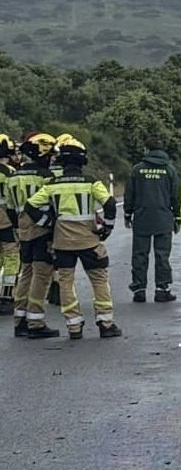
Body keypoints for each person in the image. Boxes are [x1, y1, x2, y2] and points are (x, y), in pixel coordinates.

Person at [24, 137, 122, 340]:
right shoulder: (91, 182)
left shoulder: (52, 184)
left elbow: (30, 206)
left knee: (66, 282)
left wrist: (47, 223)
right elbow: (110, 204)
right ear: (81, 161)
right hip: (89, 241)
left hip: (62, 242)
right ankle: (105, 324)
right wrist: (107, 229)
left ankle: (74, 326)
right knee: (99, 279)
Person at [8, 133, 58, 338]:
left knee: (25, 272)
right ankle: (35, 322)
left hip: (22, 228)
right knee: (42, 274)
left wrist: (18, 228)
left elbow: (10, 208)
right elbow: (53, 207)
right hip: (42, 230)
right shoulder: (46, 177)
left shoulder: (13, 177)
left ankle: (19, 320)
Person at [126, 139, 181, 303]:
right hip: (163, 218)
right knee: (162, 255)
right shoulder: (169, 170)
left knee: (139, 255)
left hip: (142, 218)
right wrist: (177, 217)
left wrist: (127, 214)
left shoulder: (137, 170)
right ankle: (162, 289)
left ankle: (139, 289)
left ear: (147, 150)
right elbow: (175, 196)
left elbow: (130, 194)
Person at [0, 135, 18, 316]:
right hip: (5, 222)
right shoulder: (9, 173)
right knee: (12, 258)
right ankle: (6, 297)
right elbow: (12, 200)